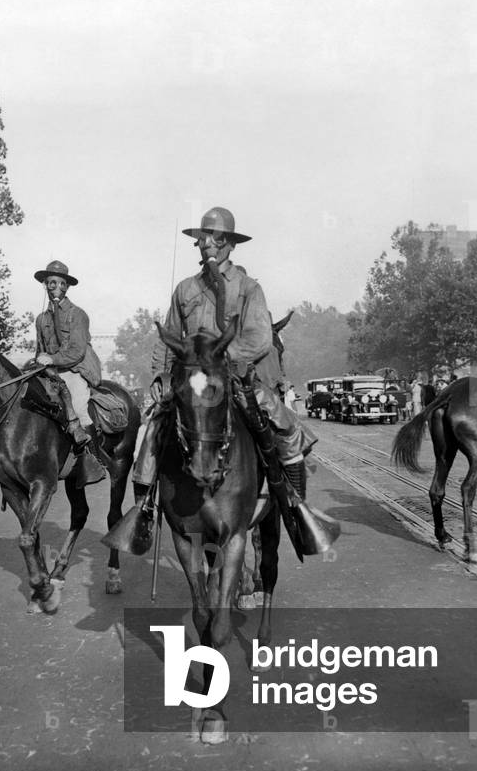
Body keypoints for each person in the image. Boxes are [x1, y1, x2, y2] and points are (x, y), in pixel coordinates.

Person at [108, 206, 318, 552]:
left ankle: (295, 510)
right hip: (189, 381)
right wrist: (161, 375)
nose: (209, 243)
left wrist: (219, 359)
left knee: (288, 430)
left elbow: (259, 338)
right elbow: (170, 337)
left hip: (234, 379)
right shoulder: (185, 289)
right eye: (204, 237)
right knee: (151, 433)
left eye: (217, 238)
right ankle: (143, 510)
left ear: (230, 245)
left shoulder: (249, 289)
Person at [32, 260, 102, 450]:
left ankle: (92, 458)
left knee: (78, 409)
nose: (55, 287)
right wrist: (38, 363)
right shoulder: (41, 319)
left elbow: (77, 352)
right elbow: (40, 350)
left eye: (61, 283)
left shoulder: (77, 314)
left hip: (74, 370)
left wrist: (52, 359)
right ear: (45, 284)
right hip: (49, 373)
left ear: (67, 286)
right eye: (51, 282)